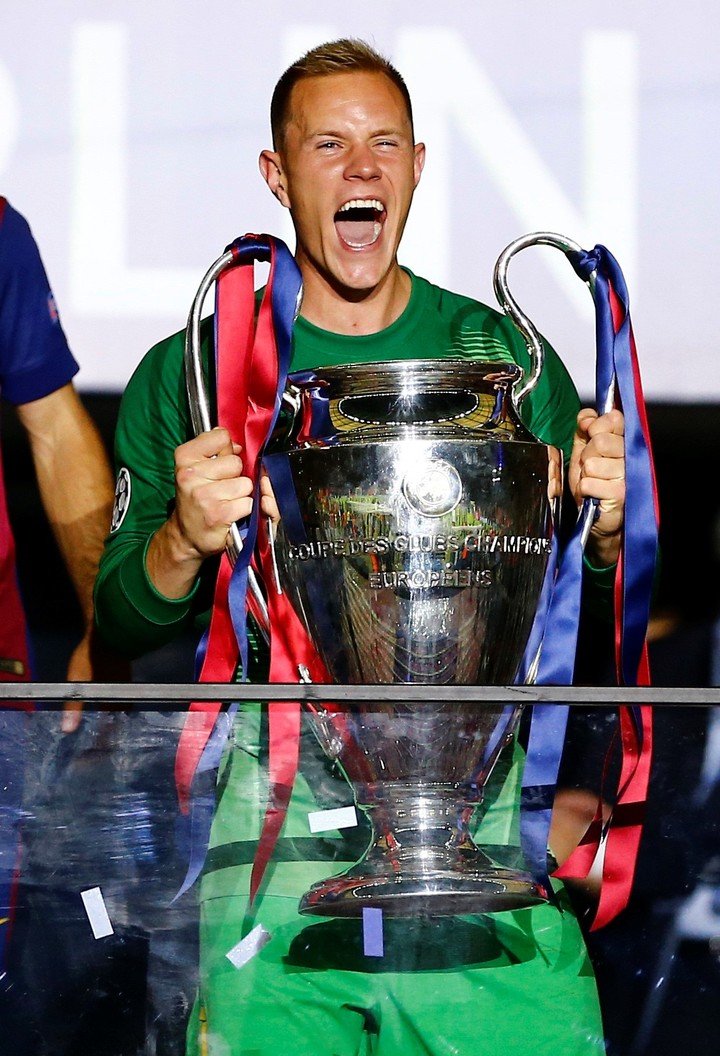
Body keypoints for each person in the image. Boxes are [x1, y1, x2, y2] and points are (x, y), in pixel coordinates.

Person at [95, 40, 626, 1056]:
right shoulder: (200, 370)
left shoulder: (504, 362)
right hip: (280, 835)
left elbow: (576, 611)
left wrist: (603, 523)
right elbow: (119, 617)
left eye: (385, 143)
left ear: (419, 167)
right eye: (328, 145)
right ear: (276, 174)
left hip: (479, 821)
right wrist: (182, 539)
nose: (361, 168)